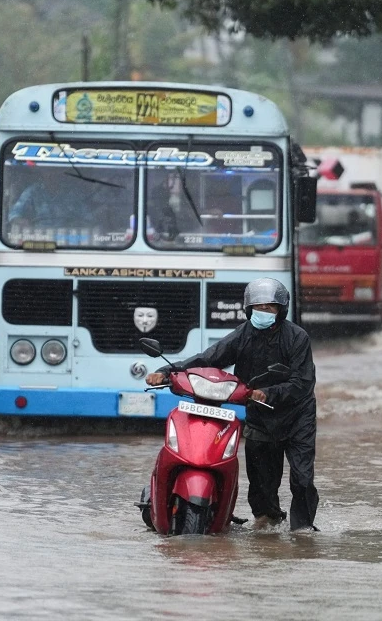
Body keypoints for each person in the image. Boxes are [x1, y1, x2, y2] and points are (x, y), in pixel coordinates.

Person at [145, 278, 319, 531]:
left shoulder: (297, 338)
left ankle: (302, 530)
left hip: (297, 415)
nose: (264, 313)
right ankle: (267, 521)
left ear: (282, 310)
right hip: (259, 415)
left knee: (302, 478)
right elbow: (209, 358)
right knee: (261, 481)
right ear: (249, 309)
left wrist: (268, 393)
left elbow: (302, 382)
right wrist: (166, 371)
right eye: (259, 308)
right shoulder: (243, 335)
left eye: (270, 308)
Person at [149, 171, 202, 241]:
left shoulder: (191, 197)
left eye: (178, 178)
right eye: (172, 178)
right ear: (165, 182)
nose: (176, 182)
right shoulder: (156, 199)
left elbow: (195, 218)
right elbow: (157, 220)